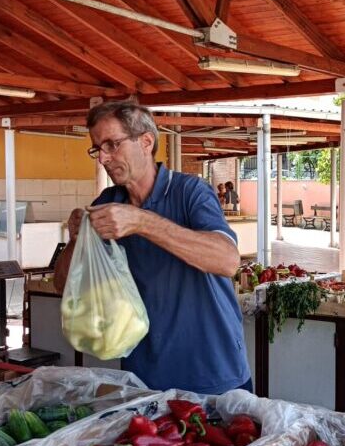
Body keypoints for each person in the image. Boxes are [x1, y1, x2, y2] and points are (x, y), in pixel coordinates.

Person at [53, 101, 251, 395]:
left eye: (112, 145)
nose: (103, 158)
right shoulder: (108, 202)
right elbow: (63, 285)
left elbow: (227, 260)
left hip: (212, 371)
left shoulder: (191, 192)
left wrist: (141, 222)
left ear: (146, 142)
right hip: (144, 377)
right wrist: (76, 240)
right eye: (97, 148)